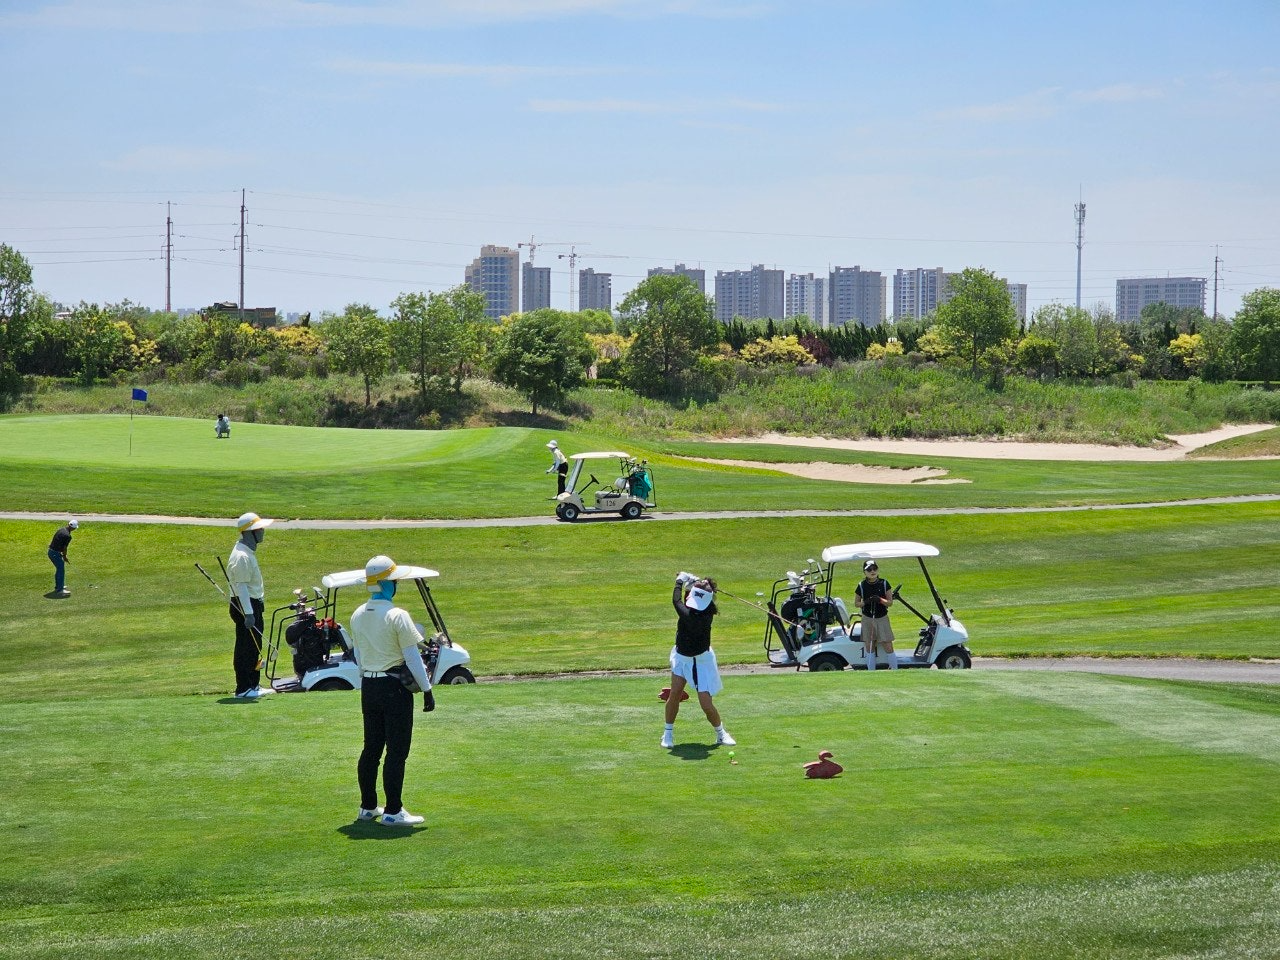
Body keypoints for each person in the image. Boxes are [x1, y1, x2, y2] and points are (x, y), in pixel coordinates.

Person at [349, 555, 434, 827]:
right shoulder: (398, 615)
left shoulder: (357, 615)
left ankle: (368, 807)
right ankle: (393, 811)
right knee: (397, 751)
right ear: (386, 584)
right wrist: (427, 689)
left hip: (369, 686)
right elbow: (412, 657)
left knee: (371, 749)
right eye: (394, 581)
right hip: (394, 688)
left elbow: (359, 656)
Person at [662, 571, 735, 749]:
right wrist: (697, 585)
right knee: (675, 694)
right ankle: (667, 733)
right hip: (682, 658)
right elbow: (694, 599)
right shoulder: (706, 607)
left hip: (702, 662)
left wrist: (680, 581)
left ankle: (721, 734)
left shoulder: (694, 616)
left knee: (706, 704)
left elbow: (677, 601)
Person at [227, 511, 275, 699]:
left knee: (254, 646)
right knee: (246, 647)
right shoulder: (242, 556)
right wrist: (248, 613)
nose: (263, 532)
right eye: (259, 529)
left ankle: (253, 685)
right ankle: (244, 687)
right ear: (249, 532)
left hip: (250, 604)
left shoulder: (246, 552)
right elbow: (242, 588)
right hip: (245, 604)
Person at [856, 559, 896, 670]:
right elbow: (857, 603)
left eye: (874, 569)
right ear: (864, 572)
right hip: (867, 618)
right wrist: (866, 602)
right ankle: (871, 672)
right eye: (869, 570)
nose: (872, 571)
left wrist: (880, 600)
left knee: (888, 645)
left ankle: (895, 670)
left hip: (882, 618)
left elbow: (890, 603)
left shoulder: (884, 583)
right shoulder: (861, 585)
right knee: (869, 646)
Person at [47, 519, 79, 597]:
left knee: (59, 569)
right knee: (60, 570)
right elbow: (65, 548)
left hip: (51, 552)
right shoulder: (68, 536)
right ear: (73, 528)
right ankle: (60, 590)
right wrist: (64, 556)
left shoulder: (61, 529)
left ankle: (59, 586)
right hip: (55, 554)